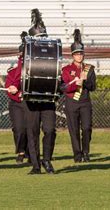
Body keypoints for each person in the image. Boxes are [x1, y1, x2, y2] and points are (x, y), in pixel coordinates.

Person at [24, 9, 57, 175]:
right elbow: (19, 73)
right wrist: (17, 85)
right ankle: (36, 165)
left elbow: (57, 72)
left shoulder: (52, 54)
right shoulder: (26, 55)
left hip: (48, 99)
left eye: (44, 38)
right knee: (32, 131)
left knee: (50, 130)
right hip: (31, 98)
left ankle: (47, 160)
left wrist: (62, 86)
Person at [61, 29, 96, 163]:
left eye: (81, 53)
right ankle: (77, 154)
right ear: (72, 55)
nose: (79, 56)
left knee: (87, 128)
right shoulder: (66, 70)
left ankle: (86, 152)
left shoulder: (89, 69)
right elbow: (63, 87)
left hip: (85, 102)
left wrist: (85, 82)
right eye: (77, 54)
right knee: (73, 130)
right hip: (71, 102)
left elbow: (93, 87)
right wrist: (76, 84)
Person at [5, 31, 29, 164]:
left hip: (28, 102)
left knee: (29, 128)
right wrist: (13, 90)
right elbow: (9, 88)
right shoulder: (13, 71)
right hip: (16, 104)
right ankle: (20, 151)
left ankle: (30, 152)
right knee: (19, 129)